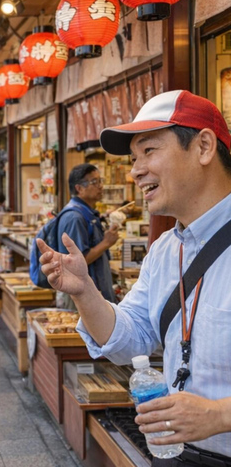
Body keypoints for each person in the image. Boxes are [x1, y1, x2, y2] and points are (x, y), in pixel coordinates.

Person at [37, 90, 231, 464]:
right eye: (133, 158)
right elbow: (133, 339)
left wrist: (218, 415)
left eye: (149, 151)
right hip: (175, 453)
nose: (135, 170)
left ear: (204, 146)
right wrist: (84, 291)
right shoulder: (163, 251)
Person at [54, 163, 119, 310]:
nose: (100, 186)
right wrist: (106, 243)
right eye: (94, 182)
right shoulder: (74, 217)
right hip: (83, 296)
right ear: (79, 188)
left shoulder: (87, 213)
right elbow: (75, 262)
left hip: (92, 292)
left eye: (100, 181)